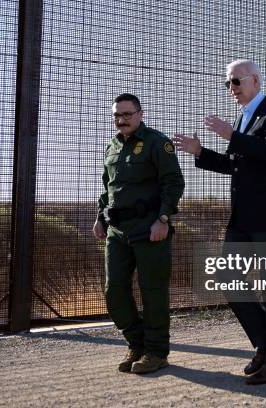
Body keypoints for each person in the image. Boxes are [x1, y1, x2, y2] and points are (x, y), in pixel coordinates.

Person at [172, 60, 266, 385]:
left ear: (254, 80)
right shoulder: (243, 118)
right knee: (227, 278)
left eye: (236, 82)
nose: (231, 89)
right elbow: (237, 166)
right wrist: (201, 152)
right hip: (241, 218)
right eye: (228, 83)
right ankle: (265, 346)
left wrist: (231, 135)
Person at [93, 93, 185, 374]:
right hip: (117, 232)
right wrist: (100, 217)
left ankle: (157, 352)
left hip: (149, 230)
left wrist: (163, 219)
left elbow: (173, 183)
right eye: (117, 116)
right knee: (114, 291)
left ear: (140, 113)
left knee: (153, 291)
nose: (121, 120)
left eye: (127, 114)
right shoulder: (112, 146)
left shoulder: (157, 143)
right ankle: (137, 344)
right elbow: (108, 186)